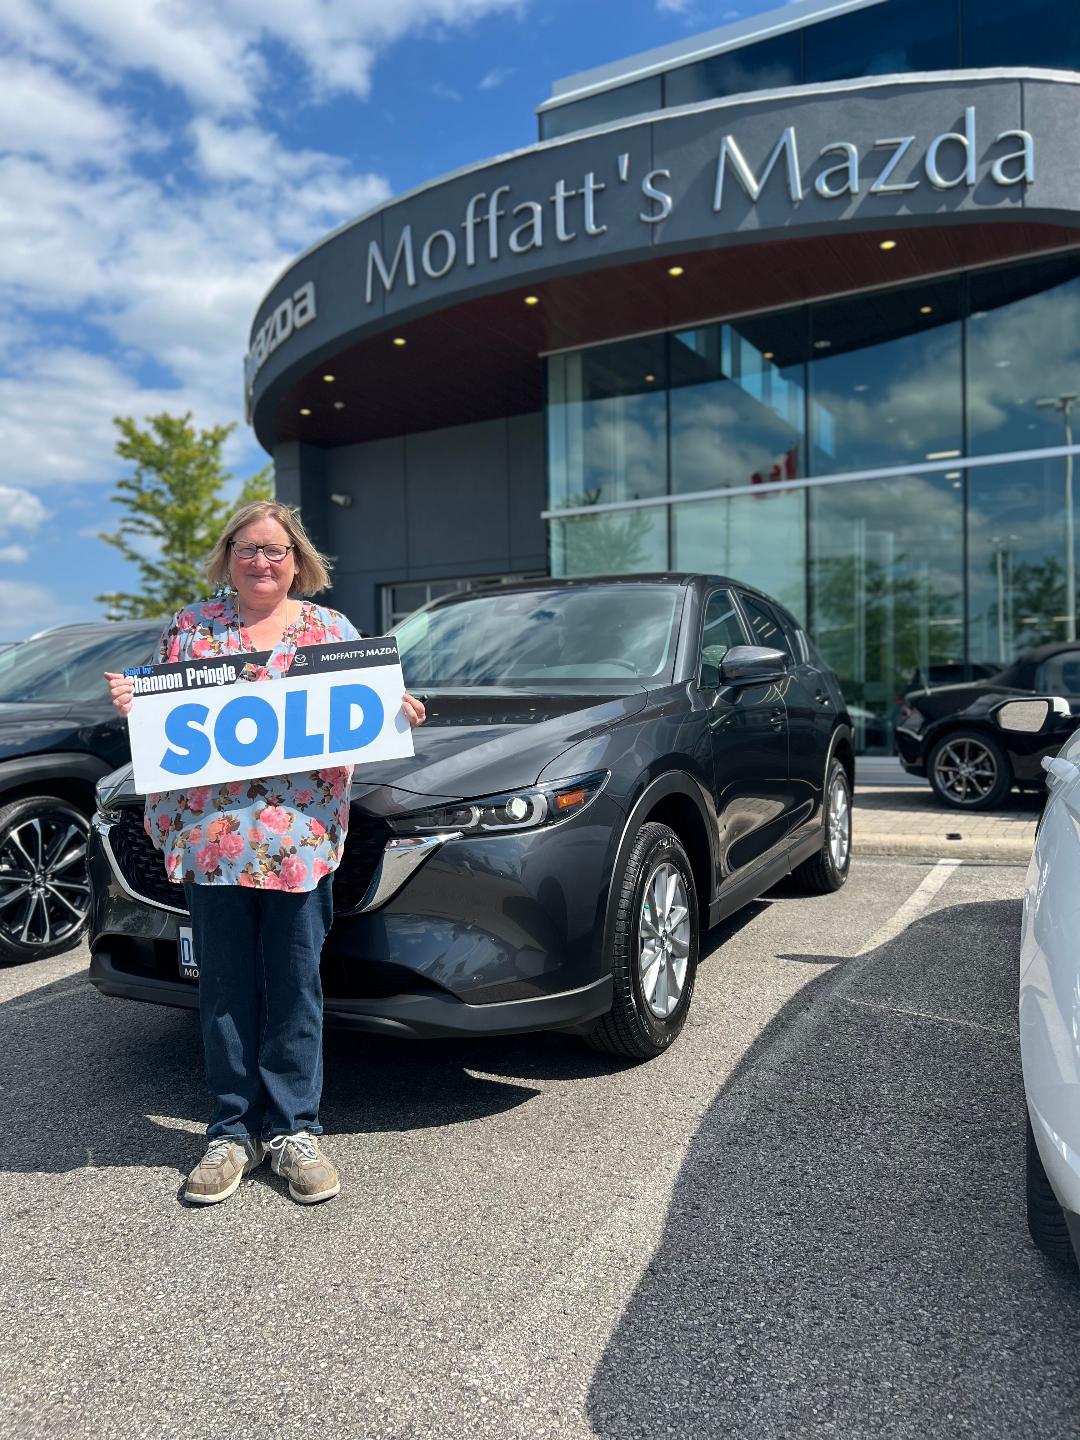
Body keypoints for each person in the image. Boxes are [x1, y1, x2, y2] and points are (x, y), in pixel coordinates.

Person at [105, 500, 425, 1206]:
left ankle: (293, 1130)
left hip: (298, 843)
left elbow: (363, 710)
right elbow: (161, 717)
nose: (261, 562)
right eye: (247, 549)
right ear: (228, 556)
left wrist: (394, 709)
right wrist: (135, 701)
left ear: (296, 560)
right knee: (223, 988)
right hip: (214, 843)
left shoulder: (329, 632)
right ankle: (231, 1131)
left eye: (274, 550)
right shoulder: (193, 630)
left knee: (293, 985)